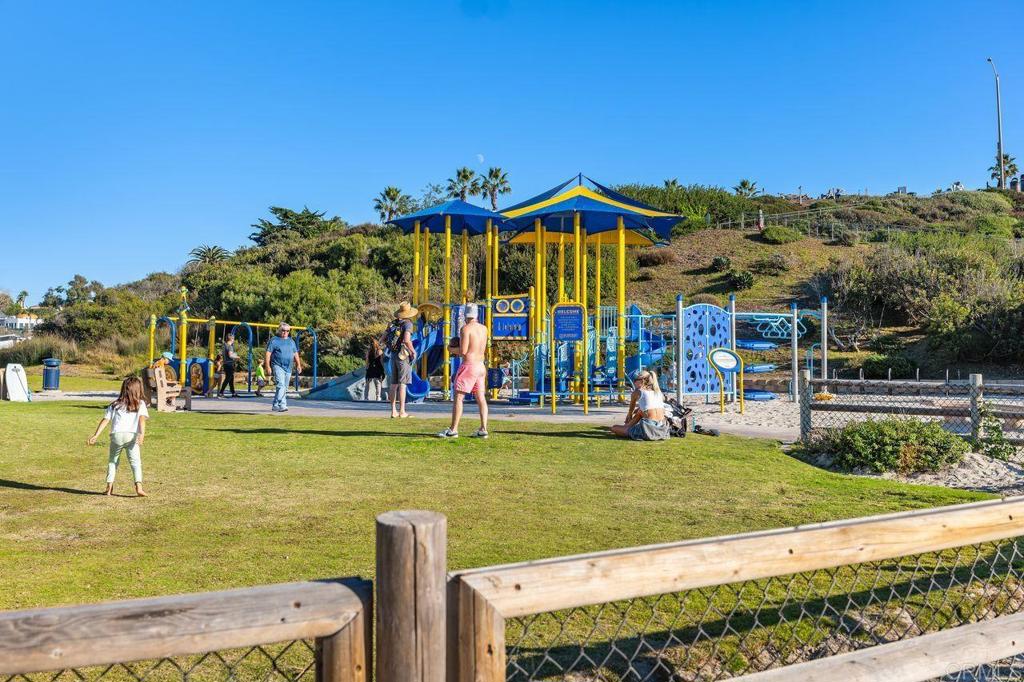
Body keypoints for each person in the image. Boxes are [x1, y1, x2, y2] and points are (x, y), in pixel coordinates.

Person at [87, 376, 149, 496]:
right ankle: (139, 488)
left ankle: (109, 487)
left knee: (113, 461)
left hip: (116, 436)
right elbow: (142, 420)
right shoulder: (140, 404)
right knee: (135, 462)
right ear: (138, 390)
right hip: (131, 436)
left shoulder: (114, 404)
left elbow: (106, 420)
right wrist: (142, 435)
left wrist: (96, 435)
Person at [438, 303, 489, 439]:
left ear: (466, 315)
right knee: (481, 398)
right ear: (476, 315)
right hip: (481, 365)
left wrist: (450, 349)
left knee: (458, 397)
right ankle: (483, 429)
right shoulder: (484, 329)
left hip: (469, 365)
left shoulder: (465, 329)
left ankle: (453, 430)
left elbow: (463, 351)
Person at [610, 370, 671, 441]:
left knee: (614, 428)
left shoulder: (638, 392)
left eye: (635, 380)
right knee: (640, 411)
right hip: (662, 428)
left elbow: (631, 410)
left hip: (648, 430)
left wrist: (629, 415)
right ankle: (627, 426)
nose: (634, 382)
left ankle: (627, 427)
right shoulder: (658, 392)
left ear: (642, 380)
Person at [384, 302, 418, 418]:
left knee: (393, 384)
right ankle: (402, 411)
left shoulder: (393, 323)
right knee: (402, 384)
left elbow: (382, 338)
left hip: (393, 355)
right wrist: (413, 351)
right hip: (403, 356)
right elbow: (407, 340)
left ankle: (393, 411)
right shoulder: (408, 324)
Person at [264, 322, 302, 413]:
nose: (285, 332)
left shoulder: (291, 341)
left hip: (288, 367)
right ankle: (282, 405)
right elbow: (268, 354)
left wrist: (298, 364)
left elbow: (295, 353)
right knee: (281, 385)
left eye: (287, 331)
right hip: (277, 365)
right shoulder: (274, 340)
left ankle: (275, 405)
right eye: (283, 330)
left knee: (284, 387)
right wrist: (267, 366)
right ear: (279, 330)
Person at [218, 332, 239, 398]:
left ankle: (233, 392)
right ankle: (221, 392)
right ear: (231, 339)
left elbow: (225, 354)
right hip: (230, 364)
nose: (234, 340)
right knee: (228, 378)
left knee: (231, 378)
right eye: (233, 339)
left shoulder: (224, 346)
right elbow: (230, 355)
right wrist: (237, 357)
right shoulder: (230, 347)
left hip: (226, 364)